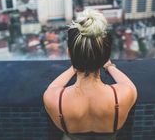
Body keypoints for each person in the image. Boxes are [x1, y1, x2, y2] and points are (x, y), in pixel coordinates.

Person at [43, 9, 137, 140]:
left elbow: (53, 87)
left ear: (70, 53)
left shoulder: (54, 99)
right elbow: (128, 85)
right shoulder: (123, 95)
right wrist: (109, 66)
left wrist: (75, 65)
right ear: (106, 56)